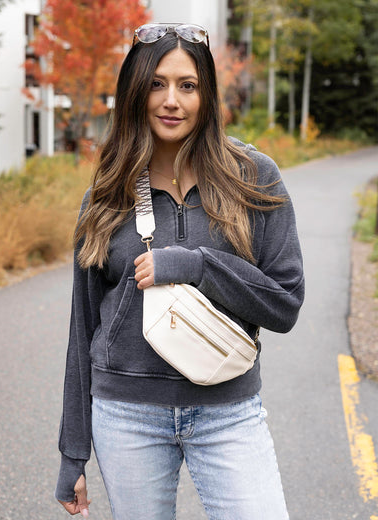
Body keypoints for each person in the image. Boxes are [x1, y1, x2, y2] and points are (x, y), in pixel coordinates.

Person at [55, 22, 304, 520]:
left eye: (187, 86)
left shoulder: (253, 177)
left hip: (228, 411)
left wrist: (198, 266)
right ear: (135, 92)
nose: (172, 100)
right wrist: (72, 452)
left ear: (206, 94)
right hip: (126, 415)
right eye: (157, 84)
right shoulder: (106, 193)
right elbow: (83, 327)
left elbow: (285, 304)